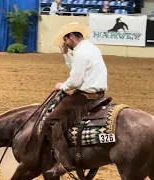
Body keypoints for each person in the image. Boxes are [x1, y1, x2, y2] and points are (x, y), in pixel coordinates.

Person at [44, 22, 108, 177]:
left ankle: (65, 162)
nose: (65, 44)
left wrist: (61, 86)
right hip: (99, 94)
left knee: (50, 121)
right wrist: (66, 54)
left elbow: (75, 82)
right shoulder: (91, 48)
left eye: (66, 40)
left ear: (72, 36)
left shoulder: (80, 52)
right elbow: (77, 68)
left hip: (85, 97)